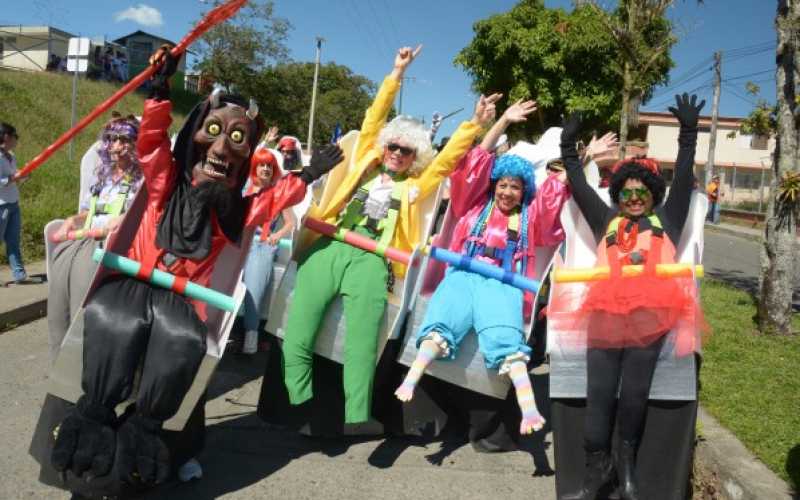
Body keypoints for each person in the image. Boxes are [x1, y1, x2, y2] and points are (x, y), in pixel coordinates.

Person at [35, 45, 343, 495]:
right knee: (114, 322)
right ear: (195, 134)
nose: (221, 148)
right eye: (214, 132)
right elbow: (151, 144)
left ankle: (147, 434)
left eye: (236, 140)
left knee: (181, 345)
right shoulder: (164, 185)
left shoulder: (235, 214)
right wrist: (159, 90)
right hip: (133, 285)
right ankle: (92, 421)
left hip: (182, 302)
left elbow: (276, 199)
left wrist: (309, 172)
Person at [278, 45, 492, 425]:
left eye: (406, 151)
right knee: (300, 324)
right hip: (331, 242)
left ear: (414, 157)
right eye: (392, 146)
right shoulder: (363, 160)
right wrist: (396, 73)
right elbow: (374, 118)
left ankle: (356, 412)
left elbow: (446, 163)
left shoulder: (415, 186)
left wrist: (474, 124)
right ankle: (298, 395)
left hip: (375, 259)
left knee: (363, 339)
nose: (396, 153)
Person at [553, 94, 706, 500]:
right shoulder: (606, 220)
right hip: (603, 316)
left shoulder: (668, 219)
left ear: (654, 194)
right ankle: (594, 474)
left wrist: (688, 133)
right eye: (627, 192)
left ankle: (627, 475)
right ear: (617, 194)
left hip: (650, 319)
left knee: (634, 399)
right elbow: (577, 180)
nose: (635, 198)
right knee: (599, 399)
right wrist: (569, 146)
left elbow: (687, 172)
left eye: (642, 192)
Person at [395, 99, 571, 436]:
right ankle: (411, 380)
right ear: (493, 185)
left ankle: (529, 410)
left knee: (508, 342)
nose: (507, 191)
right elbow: (475, 162)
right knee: (441, 323)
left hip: (502, 284)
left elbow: (555, 197)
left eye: (515, 186)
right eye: (502, 184)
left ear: (524, 191)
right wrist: (501, 121)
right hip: (463, 273)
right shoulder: (474, 204)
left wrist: (579, 160)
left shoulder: (531, 217)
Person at [47, 114, 143, 363]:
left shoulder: (141, 180)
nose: (116, 146)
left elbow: (143, 214)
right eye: (111, 140)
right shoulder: (102, 175)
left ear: (136, 144)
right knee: (59, 273)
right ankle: (58, 358)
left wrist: (121, 220)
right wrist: (73, 220)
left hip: (109, 248)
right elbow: (89, 211)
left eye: (124, 140)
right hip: (84, 239)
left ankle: (82, 364)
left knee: (83, 290)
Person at [241, 147, 297, 354]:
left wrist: (276, 236)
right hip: (238, 243)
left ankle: (250, 339)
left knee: (253, 291)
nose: (265, 169)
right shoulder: (244, 187)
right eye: (262, 164)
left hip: (261, 244)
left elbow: (290, 222)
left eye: (269, 166)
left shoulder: (279, 192)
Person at [0, 122, 28, 284]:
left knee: (13, 239)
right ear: (6, 137)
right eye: (14, 136)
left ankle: (18, 272)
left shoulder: (11, 156)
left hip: (13, 203)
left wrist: (23, 175)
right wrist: (12, 179)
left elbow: (14, 177)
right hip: (1, 204)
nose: (16, 139)